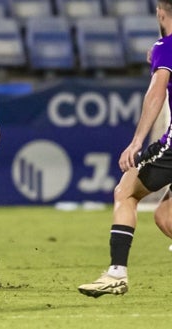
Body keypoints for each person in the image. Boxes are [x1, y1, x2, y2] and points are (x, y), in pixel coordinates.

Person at [78, 0, 172, 298]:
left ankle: (116, 274)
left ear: (160, 12)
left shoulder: (165, 46)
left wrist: (136, 141)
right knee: (165, 217)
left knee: (126, 191)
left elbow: (156, 92)